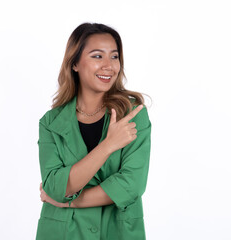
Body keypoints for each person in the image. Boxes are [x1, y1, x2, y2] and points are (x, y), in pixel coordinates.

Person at [36, 22, 151, 240]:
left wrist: (65, 201)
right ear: (75, 63)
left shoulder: (133, 113)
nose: (109, 65)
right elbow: (54, 186)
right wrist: (108, 145)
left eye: (114, 56)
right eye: (97, 56)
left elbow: (131, 185)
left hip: (117, 232)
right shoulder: (51, 122)